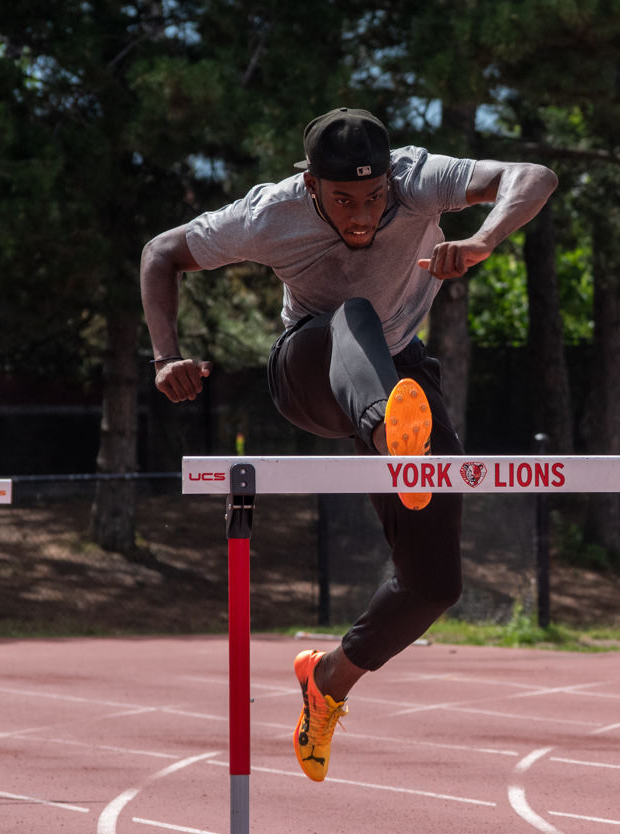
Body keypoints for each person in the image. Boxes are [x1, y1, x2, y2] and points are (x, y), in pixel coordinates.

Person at [140, 108, 557, 781]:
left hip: (397, 375)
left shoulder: (419, 178)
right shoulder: (267, 213)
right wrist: (166, 357)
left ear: (392, 179)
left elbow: (532, 175)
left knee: (433, 584)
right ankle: (393, 432)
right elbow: (161, 252)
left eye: (374, 199)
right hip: (308, 372)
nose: (361, 217)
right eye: (343, 202)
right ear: (311, 187)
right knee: (349, 313)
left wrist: (484, 236)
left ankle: (330, 679)